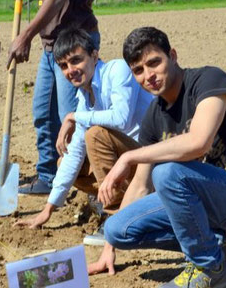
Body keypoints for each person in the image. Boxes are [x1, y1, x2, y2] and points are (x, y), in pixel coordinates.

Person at [91, 27, 226, 288]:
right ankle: (222, 242)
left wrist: (128, 158)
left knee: (167, 173)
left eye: (154, 63)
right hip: (207, 203)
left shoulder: (209, 81)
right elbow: (141, 186)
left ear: (173, 56)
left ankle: (210, 269)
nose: (149, 76)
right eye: (138, 70)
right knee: (117, 229)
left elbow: (198, 143)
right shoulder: (154, 118)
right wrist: (108, 249)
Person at [13, 28, 153, 243]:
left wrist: (74, 117)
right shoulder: (83, 97)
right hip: (128, 165)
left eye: (76, 60)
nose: (71, 70)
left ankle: (116, 222)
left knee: (95, 135)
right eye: (63, 66)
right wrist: (48, 210)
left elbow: (121, 118)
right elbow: (75, 153)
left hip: (151, 165)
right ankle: (132, 204)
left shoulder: (117, 70)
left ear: (94, 56)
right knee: (65, 161)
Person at [8, 0, 99, 194]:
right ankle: (48, 177)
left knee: (71, 119)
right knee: (43, 117)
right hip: (52, 44)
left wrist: (25, 35)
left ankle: (93, 187)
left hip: (73, 43)